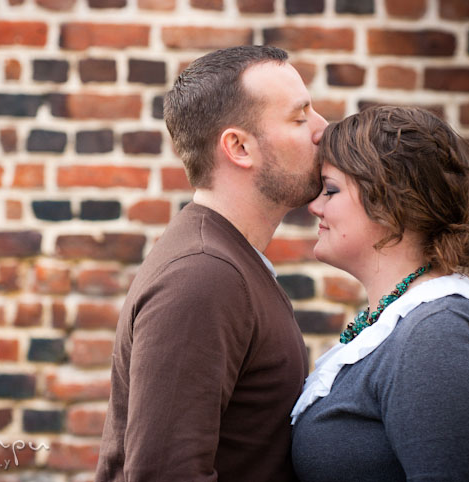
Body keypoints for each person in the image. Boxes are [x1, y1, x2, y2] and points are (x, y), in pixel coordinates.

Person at [96, 45, 327, 481]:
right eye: (300, 118)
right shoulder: (203, 276)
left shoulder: (225, 261)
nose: (322, 129)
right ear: (238, 146)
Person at [291, 106, 469, 481]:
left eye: (330, 190)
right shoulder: (406, 324)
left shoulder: (439, 334)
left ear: (389, 200)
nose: (315, 206)